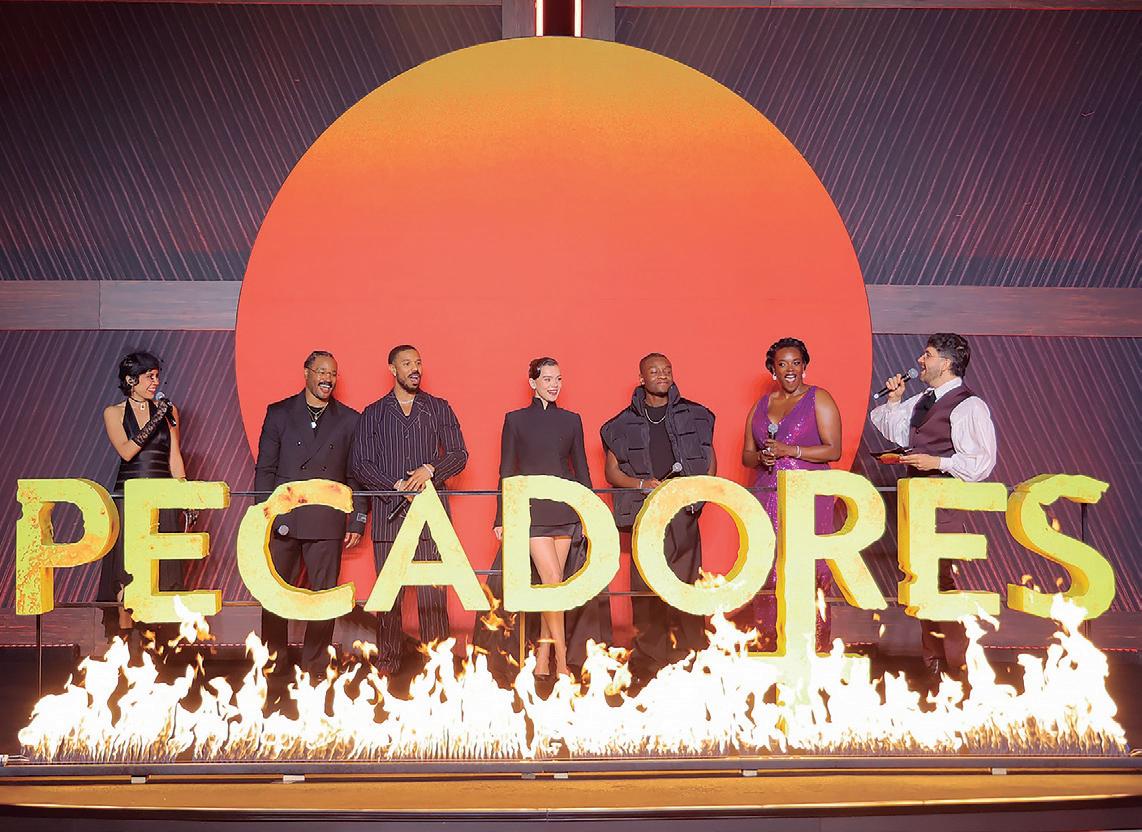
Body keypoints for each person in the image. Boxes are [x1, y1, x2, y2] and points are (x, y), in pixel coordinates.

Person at [870, 332, 996, 682]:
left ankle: (959, 665)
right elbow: (897, 432)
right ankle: (935, 660)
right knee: (923, 578)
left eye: (927, 355)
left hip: (943, 502)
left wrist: (937, 462)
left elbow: (981, 462)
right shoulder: (924, 399)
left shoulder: (969, 405)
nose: (920, 361)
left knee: (941, 579)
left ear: (946, 362)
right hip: (917, 501)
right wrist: (895, 400)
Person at [350, 345, 468, 674]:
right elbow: (360, 464)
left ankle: (439, 668)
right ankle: (387, 665)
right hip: (389, 518)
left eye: (418, 363)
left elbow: (459, 454)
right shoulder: (372, 413)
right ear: (392, 369)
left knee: (433, 598)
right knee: (389, 598)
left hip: (431, 519)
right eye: (406, 363)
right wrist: (397, 486)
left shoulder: (439, 408)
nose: (415, 369)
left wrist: (431, 470)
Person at [600, 353, 715, 683]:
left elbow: (709, 460)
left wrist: (698, 494)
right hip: (646, 512)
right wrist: (641, 485)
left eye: (667, 370)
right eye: (654, 371)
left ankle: (690, 657)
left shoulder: (696, 415)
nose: (662, 375)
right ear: (642, 378)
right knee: (647, 586)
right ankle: (650, 660)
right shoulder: (620, 425)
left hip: (683, 511)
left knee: (686, 583)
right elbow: (612, 472)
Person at [254, 350, 368, 678]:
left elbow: (356, 474)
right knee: (275, 595)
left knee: (324, 598)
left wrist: (357, 517)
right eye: (321, 371)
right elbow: (265, 469)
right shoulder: (279, 413)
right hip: (284, 518)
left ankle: (315, 667)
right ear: (306, 373)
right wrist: (264, 514)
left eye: (332, 373)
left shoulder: (350, 419)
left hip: (326, 520)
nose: (327, 378)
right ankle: (272, 665)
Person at [494, 358, 593, 678]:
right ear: (532, 382)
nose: (554, 385)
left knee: (555, 584)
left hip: (565, 510)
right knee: (552, 581)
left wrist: (589, 514)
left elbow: (582, 470)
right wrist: (501, 516)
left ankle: (542, 656)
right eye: (547, 378)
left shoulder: (571, 420)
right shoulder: (515, 420)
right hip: (532, 511)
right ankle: (561, 662)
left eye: (558, 379)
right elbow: (507, 471)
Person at [742, 337, 842, 651]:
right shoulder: (761, 405)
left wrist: (791, 450)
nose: (790, 369)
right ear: (772, 369)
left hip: (807, 496)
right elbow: (746, 455)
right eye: (782, 364)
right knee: (768, 564)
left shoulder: (818, 398)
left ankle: (813, 645)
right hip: (767, 494)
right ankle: (769, 642)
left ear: (804, 367)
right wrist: (762, 457)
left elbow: (834, 450)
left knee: (807, 565)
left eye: (796, 363)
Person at [99, 351, 187, 640]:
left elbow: (174, 455)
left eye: (157, 376)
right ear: (130, 380)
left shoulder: (169, 411)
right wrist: (155, 418)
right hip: (129, 499)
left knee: (162, 571)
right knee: (127, 572)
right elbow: (126, 451)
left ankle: (156, 646)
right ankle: (127, 645)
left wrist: (185, 495)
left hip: (162, 499)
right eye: (149, 376)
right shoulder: (113, 413)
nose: (155, 382)